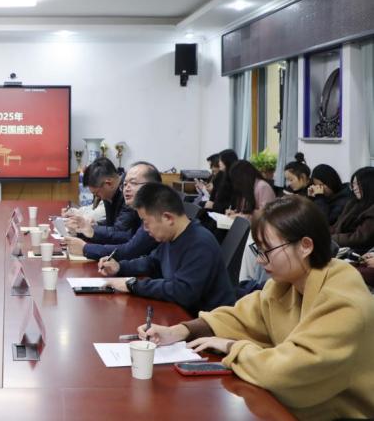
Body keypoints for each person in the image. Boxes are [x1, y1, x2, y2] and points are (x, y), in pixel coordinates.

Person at [138, 196, 374, 421]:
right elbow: (241, 316)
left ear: (305, 246)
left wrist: (232, 346)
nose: (260, 261)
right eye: (258, 251)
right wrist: (180, 331)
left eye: (267, 251)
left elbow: (287, 372)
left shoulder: (343, 302)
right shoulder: (286, 284)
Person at [97, 183, 235, 315]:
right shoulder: (172, 236)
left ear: (168, 218)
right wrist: (119, 267)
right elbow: (152, 262)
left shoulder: (200, 243)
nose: (145, 229)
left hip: (207, 324)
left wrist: (132, 285)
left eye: (146, 222)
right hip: (181, 314)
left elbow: (182, 291)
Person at [65, 161, 161, 261]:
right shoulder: (134, 204)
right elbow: (126, 235)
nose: (126, 188)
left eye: (133, 183)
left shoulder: (156, 215)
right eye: (125, 184)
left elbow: (129, 247)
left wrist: (86, 247)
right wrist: (86, 229)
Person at [65, 158, 140, 244]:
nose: (98, 198)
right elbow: (111, 224)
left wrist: (88, 228)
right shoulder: (110, 193)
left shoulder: (129, 194)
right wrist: (94, 224)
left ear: (108, 183)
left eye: (97, 194)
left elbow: (120, 232)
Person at [330, 166, 374, 254]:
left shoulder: (371, 209)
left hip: (359, 252)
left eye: (358, 184)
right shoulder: (353, 203)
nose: (355, 188)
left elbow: (359, 238)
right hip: (341, 246)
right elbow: (337, 226)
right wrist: (321, 232)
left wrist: (329, 238)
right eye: (353, 184)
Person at [205, 148, 238, 213]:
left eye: (220, 161)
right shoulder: (221, 175)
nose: (218, 163)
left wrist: (214, 205)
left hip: (225, 213)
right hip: (217, 211)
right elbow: (214, 197)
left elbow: (231, 204)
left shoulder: (234, 178)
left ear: (227, 161)